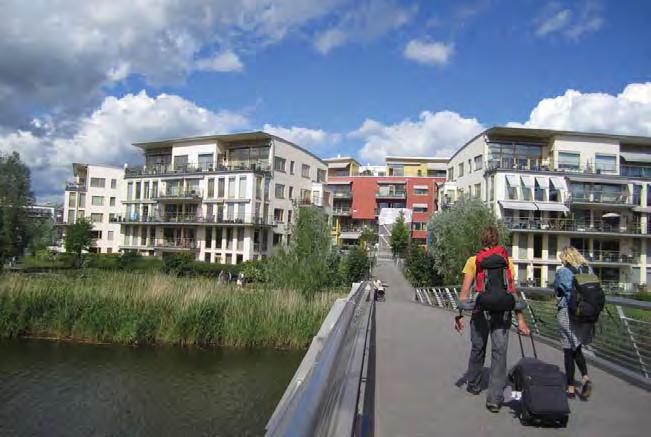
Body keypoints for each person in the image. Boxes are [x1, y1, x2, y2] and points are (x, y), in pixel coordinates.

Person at [454, 226, 530, 413]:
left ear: (482, 240)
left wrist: (459, 315)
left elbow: (464, 292)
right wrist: (520, 319)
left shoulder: (474, 260)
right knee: (499, 353)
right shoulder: (506, 261)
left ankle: (473, 384)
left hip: (480, 311)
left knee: (478, 348)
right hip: (502, 312)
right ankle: (494, 399)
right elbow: (511, 290)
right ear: (497, 240)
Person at [554, 246, 595, 400]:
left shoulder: (564, 271)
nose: (561, 262)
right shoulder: (588, 270)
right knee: (576, 346)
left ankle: (572, 387)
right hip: (584, 313)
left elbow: (558, 289)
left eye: (562, 259)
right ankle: (582, 379)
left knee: (569, 349)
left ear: (566, 258)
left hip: (567, 312)